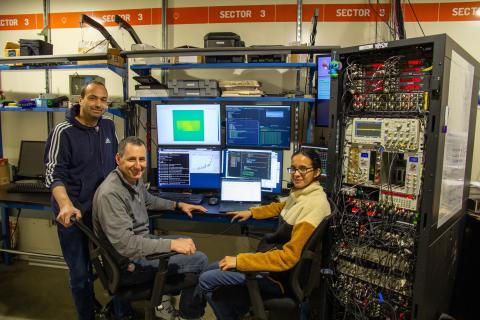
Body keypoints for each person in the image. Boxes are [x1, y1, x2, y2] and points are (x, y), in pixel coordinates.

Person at [197, 149, 331, 319]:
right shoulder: (304, 194)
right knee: (210, 268)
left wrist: (240, 261)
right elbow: (283, 207)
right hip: (272, 263)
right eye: (293, 169)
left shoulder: (313, 205)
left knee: (207, 280)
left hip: (279, 278)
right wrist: (253, 212)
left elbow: (288, 257)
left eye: (303, 169)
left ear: (317, 172)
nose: (296, 174)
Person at [92, 136, 208, 320]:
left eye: (141, 159)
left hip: (140, 246)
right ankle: (188, 316)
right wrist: (171, 245)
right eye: (131, 159)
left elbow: (148, 199)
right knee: (200, 261)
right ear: (118, 159)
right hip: (128, 264)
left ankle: (172, 307)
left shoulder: (132, 178)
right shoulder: (111, 194)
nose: (138, 166)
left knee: (190, 246)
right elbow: (127, 245)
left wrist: (178, 205)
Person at [44, 80, 118, 320]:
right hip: (74, 215)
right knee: (79, 273)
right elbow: (54, 174)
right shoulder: (63, 131)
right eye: (93, 98)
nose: (99, 104)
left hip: (102, 212)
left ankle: (118, 310)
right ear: (81, 100)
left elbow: (114, 167)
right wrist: (65, 204)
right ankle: (86, 315)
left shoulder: (108, 127)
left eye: (103, 99)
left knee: (113, 264)